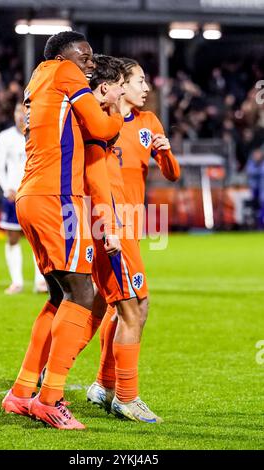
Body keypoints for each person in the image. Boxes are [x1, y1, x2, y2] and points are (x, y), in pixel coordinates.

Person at [1, 31, 123, 430]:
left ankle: (21, 392)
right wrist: (116, 108)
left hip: (32, 194)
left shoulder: (39, 77)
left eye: (90, 58)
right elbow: (102, 128)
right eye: (83, 56)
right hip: (57, 196)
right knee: (83, 293)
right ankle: (50, 398)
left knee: (59, 295)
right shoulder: (65, 74)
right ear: (63, 56)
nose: (89, 63)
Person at [86, 58, 180, 420]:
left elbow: (172, 174)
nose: (146, 88)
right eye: (140, 80)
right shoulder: (101, 124)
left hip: (132, 227)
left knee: (115, 306)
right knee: (135, 307)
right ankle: (125, 395)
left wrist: (166, 150)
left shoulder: (148, 124)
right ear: (121, 84)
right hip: (109, 227)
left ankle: (102, 385)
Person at [0, 103, 47, 294]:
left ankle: (40, 281)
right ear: (14, 114)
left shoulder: (40, 134)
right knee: (13, 237)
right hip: (13, 194)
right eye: (18, 111)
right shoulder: (4, 138)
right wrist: (7, 188)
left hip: (35, 195)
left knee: (38, 239)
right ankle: (17, 282)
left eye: (25, 111)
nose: (21, 115)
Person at [246, 147, 264, 228]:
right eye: (256, 154)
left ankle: (261, 224)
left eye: (258, 154)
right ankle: (257, 224)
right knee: (255, 208)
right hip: (254, 189)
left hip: (261, 190)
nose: (257, 156)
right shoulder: (251, 163)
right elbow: (250, 172)